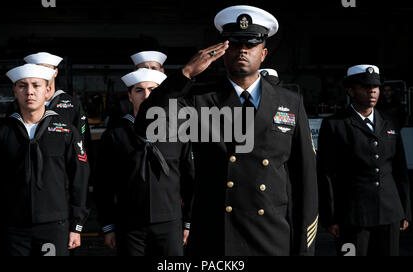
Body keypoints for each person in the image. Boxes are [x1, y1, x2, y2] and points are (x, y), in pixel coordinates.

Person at [134, 5, 318, 256]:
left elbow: (304, 180)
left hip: (271, 238)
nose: (242, 50)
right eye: (234, 44)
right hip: (217, 238)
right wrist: (185, 74)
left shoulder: (289, 101)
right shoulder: (200, 100)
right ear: (223, 51)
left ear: (263, 54)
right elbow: (147, 125)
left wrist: (304, 249)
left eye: (250, 45)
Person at [0, 64, 90, 256]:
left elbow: (79, 180)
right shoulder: (2, 133)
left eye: (36, 85)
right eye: (22, 85)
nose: (29, 92)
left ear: (48, 90)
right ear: (15, 90)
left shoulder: (66, 131)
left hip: (55, 226)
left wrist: (77, 225)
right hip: (13, 229)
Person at [94, 68, 194, 256]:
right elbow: (103, 183)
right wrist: (108, 225)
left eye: (153, 90)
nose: (147, 95)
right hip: (129, 225)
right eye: (139, 90)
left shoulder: (178, 130)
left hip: (170, 223)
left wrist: (188, 221)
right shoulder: (116, 134)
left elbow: (190, 178)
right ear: (130, 96)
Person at [317, 64, 411, 256]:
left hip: (389, 213)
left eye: (375, 87)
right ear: (350, 91)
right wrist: (330, 218)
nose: (372, 91)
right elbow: (326, 173)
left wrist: (405, 210)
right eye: (365, 87)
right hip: (352, 216)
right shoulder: (335, 124)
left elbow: (400, 170)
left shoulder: (389, 122)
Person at [106, 51, 168, 127]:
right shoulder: (122, 105)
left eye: (153, 68)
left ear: (162, 71)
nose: (148, 72)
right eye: (144, 69)